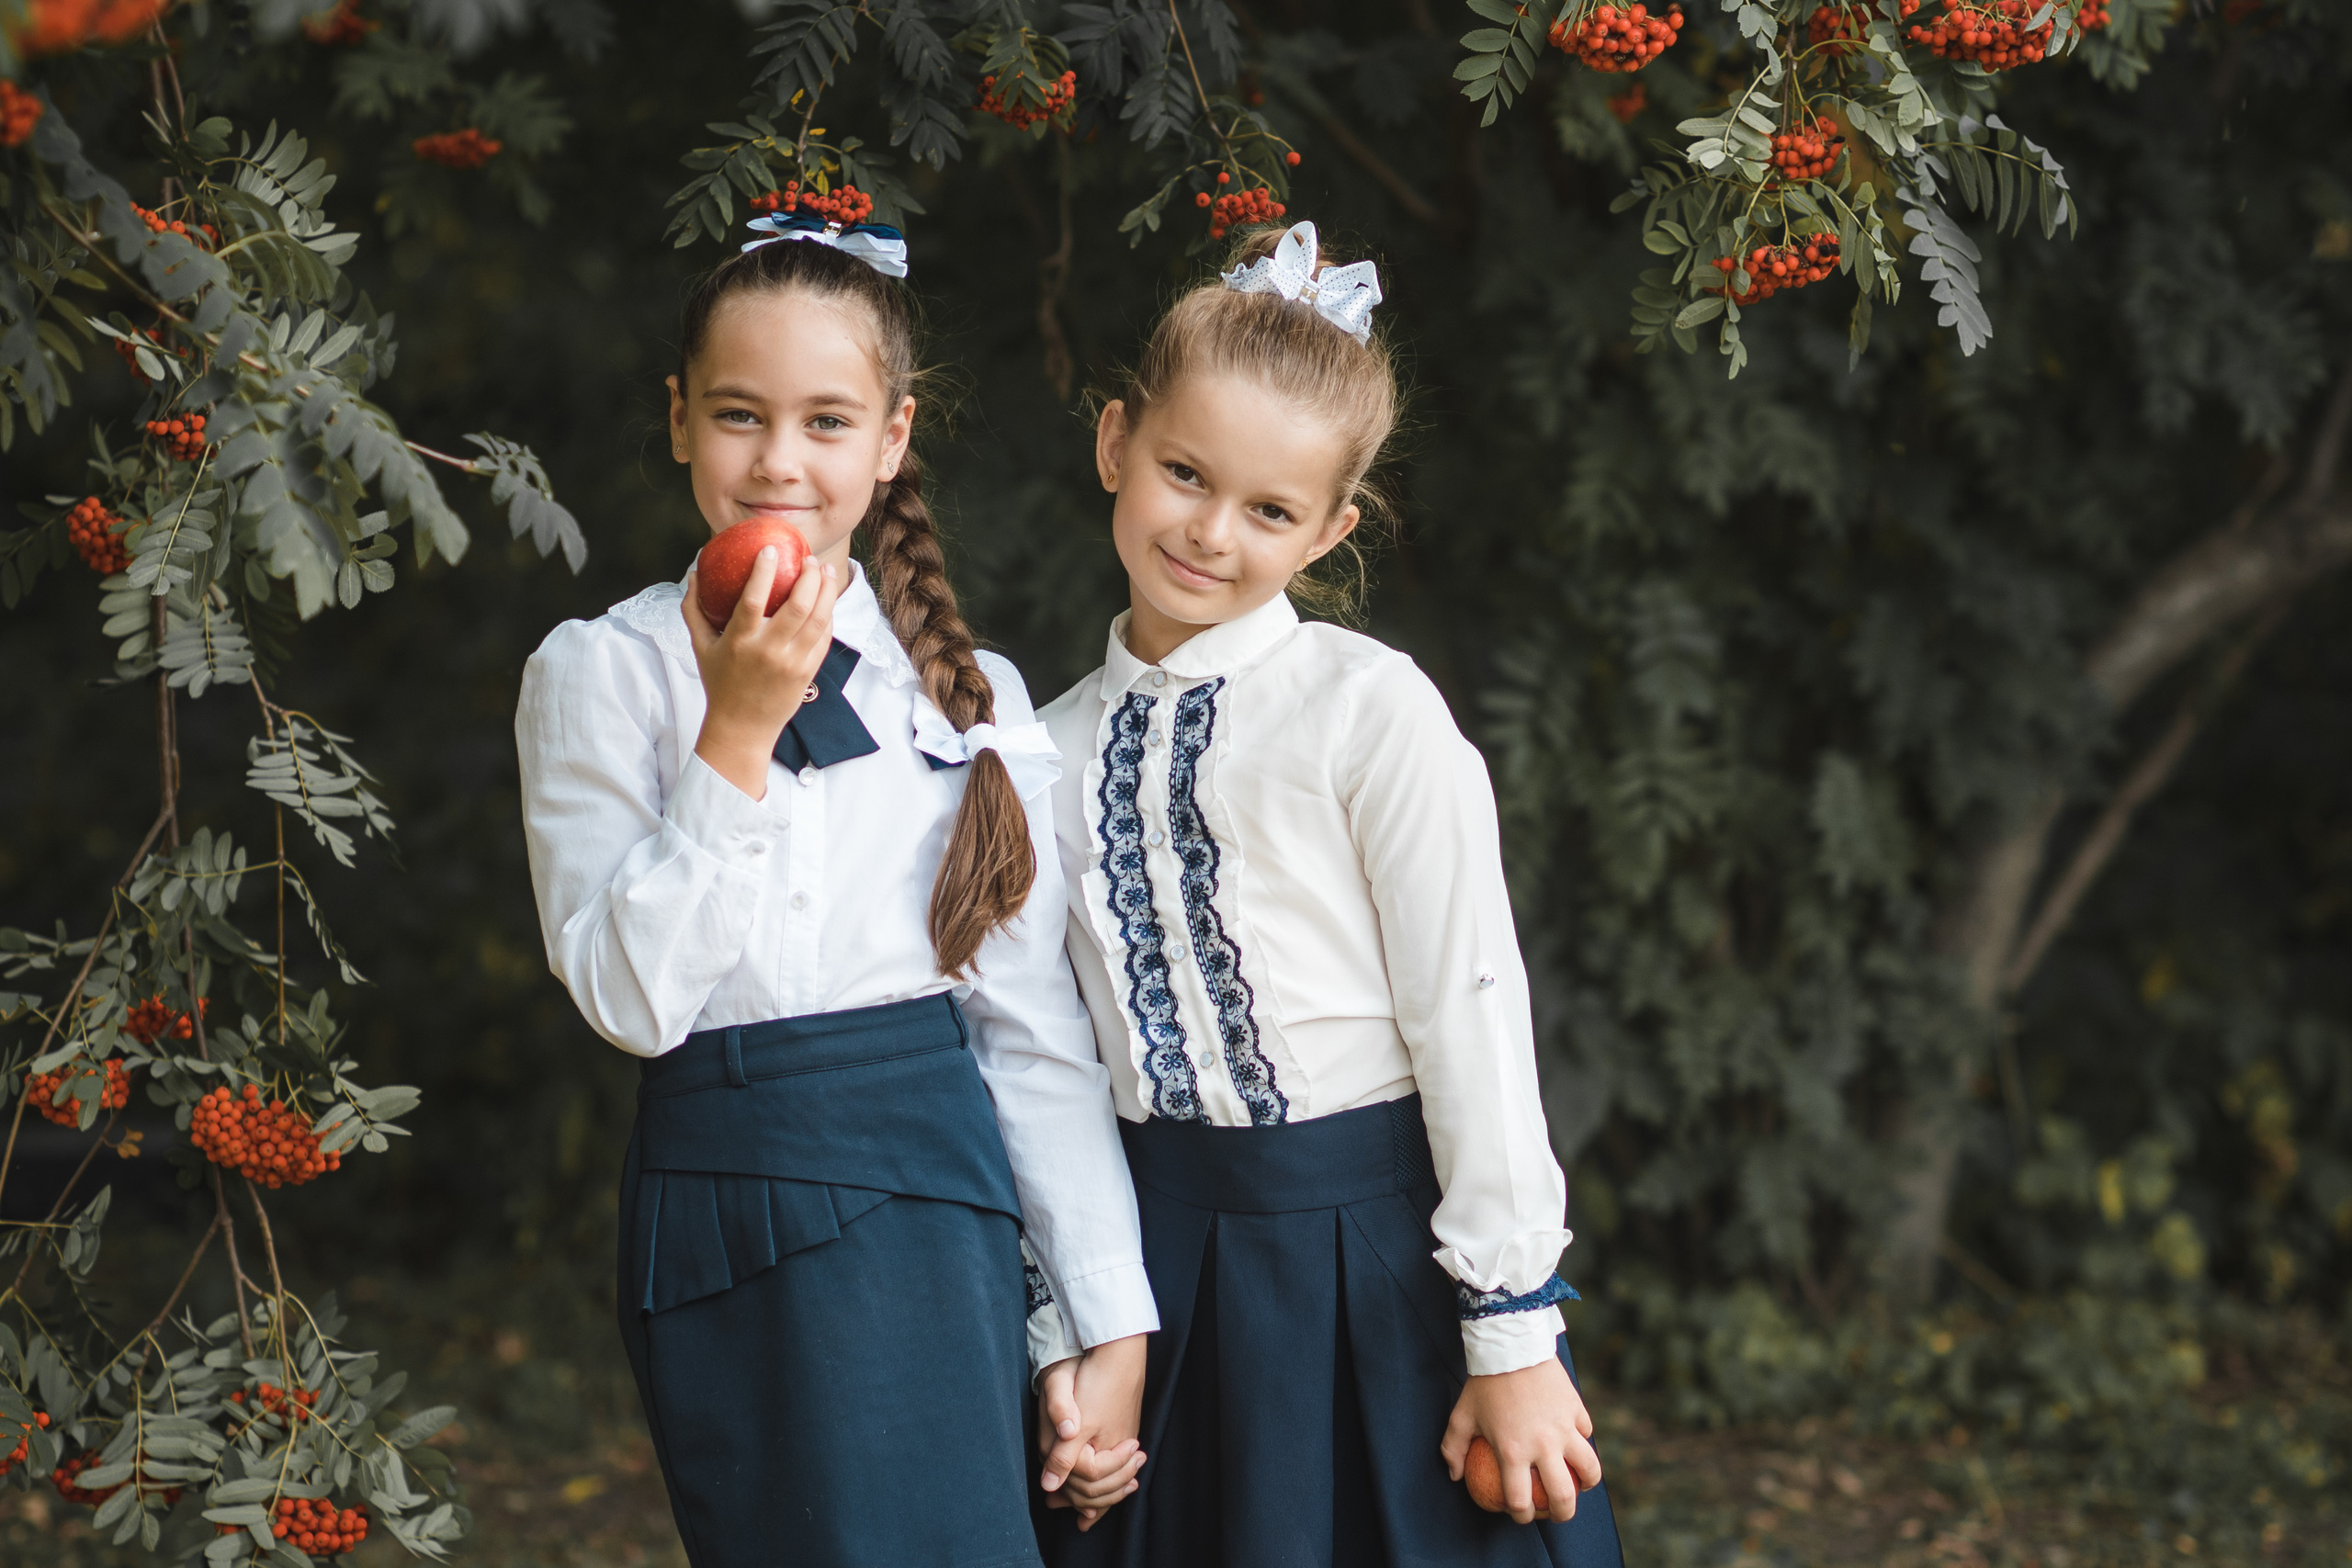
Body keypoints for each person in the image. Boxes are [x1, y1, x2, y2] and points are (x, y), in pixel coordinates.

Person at [514, 213, 1155, 1568]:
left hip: (935, 1201)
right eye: (740, 415)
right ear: (679, 418)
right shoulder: (603, 673)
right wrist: (730, 738)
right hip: (726, 1208)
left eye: (826, 421)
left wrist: (1105, 1318)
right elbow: (632, 1002)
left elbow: (1032, 1036)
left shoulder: (976, 704)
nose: (780, 463)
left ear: (891, 440)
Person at [1032, 220, 1625, 1567]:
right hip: (1158, 1264)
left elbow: (1467, 1005)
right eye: (1185, 472)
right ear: (1115, 440)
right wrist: (1083, 1318)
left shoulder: (1366, 710)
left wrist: (1513, 1332)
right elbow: (1048, 1062)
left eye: (1270, 509)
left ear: (1333, 527)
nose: (1209, 529)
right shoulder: (1039, 748)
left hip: (1375, 1263)